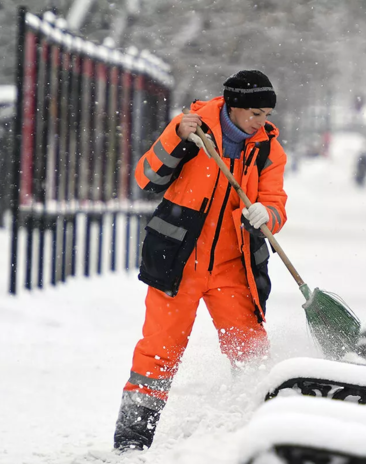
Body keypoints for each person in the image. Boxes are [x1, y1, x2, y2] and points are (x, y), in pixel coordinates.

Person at [113, 70, 288, 452]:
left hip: (234, 266)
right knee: (159, 350)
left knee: (251, 352)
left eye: (267, 116)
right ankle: (132, 439)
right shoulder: (192, 131)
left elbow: (277, 204)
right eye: (256, 114)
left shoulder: (267, 150)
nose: (263, 122)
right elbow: (146, 178)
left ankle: (255, 430)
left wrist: (266, 214)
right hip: (177, 261)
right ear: (235, 106)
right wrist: (175, 136)